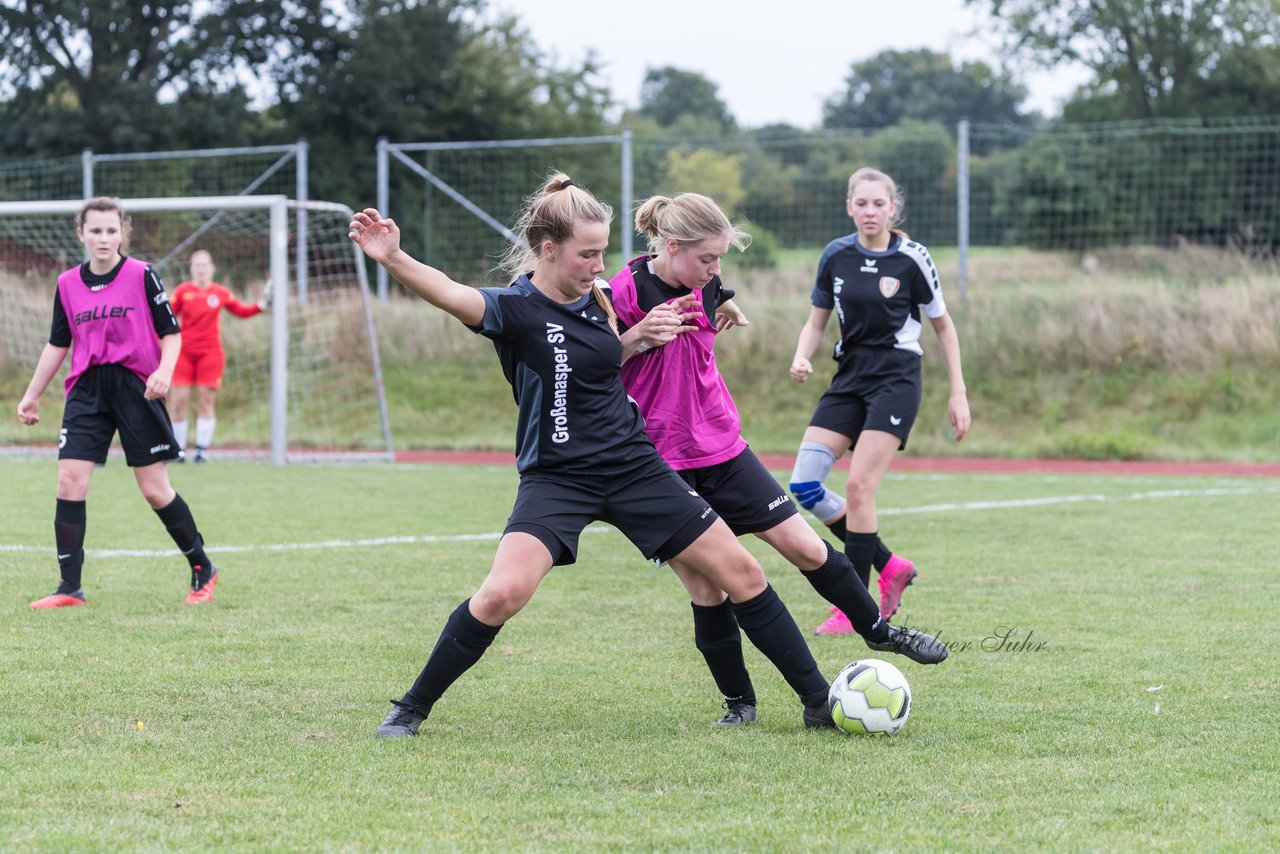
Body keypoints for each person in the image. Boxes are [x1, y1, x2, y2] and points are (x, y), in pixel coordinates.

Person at [349, 174, 839, 738]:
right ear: (548, 249)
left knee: (743, 572)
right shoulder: (515, 309)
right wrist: (392, 257)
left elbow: (616, 350)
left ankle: (818, 702)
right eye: (587, 253)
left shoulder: (600, 298)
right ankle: (410, 709)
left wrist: (672, 324)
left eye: (602, 251)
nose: (598, 264)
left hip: (635, 467)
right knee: (502, 593)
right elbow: (449, 291)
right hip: (557, 478)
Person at [607, 192, 948, 727]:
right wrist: (634, 338)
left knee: (806, 546)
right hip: (659, 462)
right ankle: (742, 703)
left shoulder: (705, 283)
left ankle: (881, 631)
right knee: (709, 586)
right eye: (707, 259)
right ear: (671, 247)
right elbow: (596, 365)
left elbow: (713, 299)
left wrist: (725, 303)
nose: (716, 270)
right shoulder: (623, 291)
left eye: (721, 260)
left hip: (722, 445)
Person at [788, 167, 971, 634]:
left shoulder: (912, 259)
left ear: (894, 208)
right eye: (862, 203)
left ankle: (856, 607)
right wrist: (802, 356)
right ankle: (890, 567)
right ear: (850, 206)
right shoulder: (836, 255)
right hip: (849, 376)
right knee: (805, 484)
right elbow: (816, 320)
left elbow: (943, 327)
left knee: (858, 488)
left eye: (879, 203)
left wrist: (958, 392)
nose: (870, 211)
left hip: (896, 378)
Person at [17, 197, 220, 608]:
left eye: (111, 230)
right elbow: (59, 343)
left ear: (122, 232)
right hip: (87, 390)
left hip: (137, 387)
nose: (104, 238)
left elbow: (172, 333)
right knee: (69, 481)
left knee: (154, 490)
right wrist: (32, 395)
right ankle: (69, 587)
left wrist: (164, 371)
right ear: (82, 234)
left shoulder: (143, 274)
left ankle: (202, 566)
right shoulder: (67, 284)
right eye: (95, 231)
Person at [168, 249, 270, 463]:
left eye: (204, 265)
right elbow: (166, 317)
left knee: (205, 401)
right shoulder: (182, 291)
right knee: (179, 401)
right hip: (183, 353)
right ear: (191, 269)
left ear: (211, 268)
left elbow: (241, 311)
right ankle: (178, 450)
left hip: (210, 354)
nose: (201, 269)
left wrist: (261, 305)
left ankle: (201, 451)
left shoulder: (221, 292)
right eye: (197, 265)